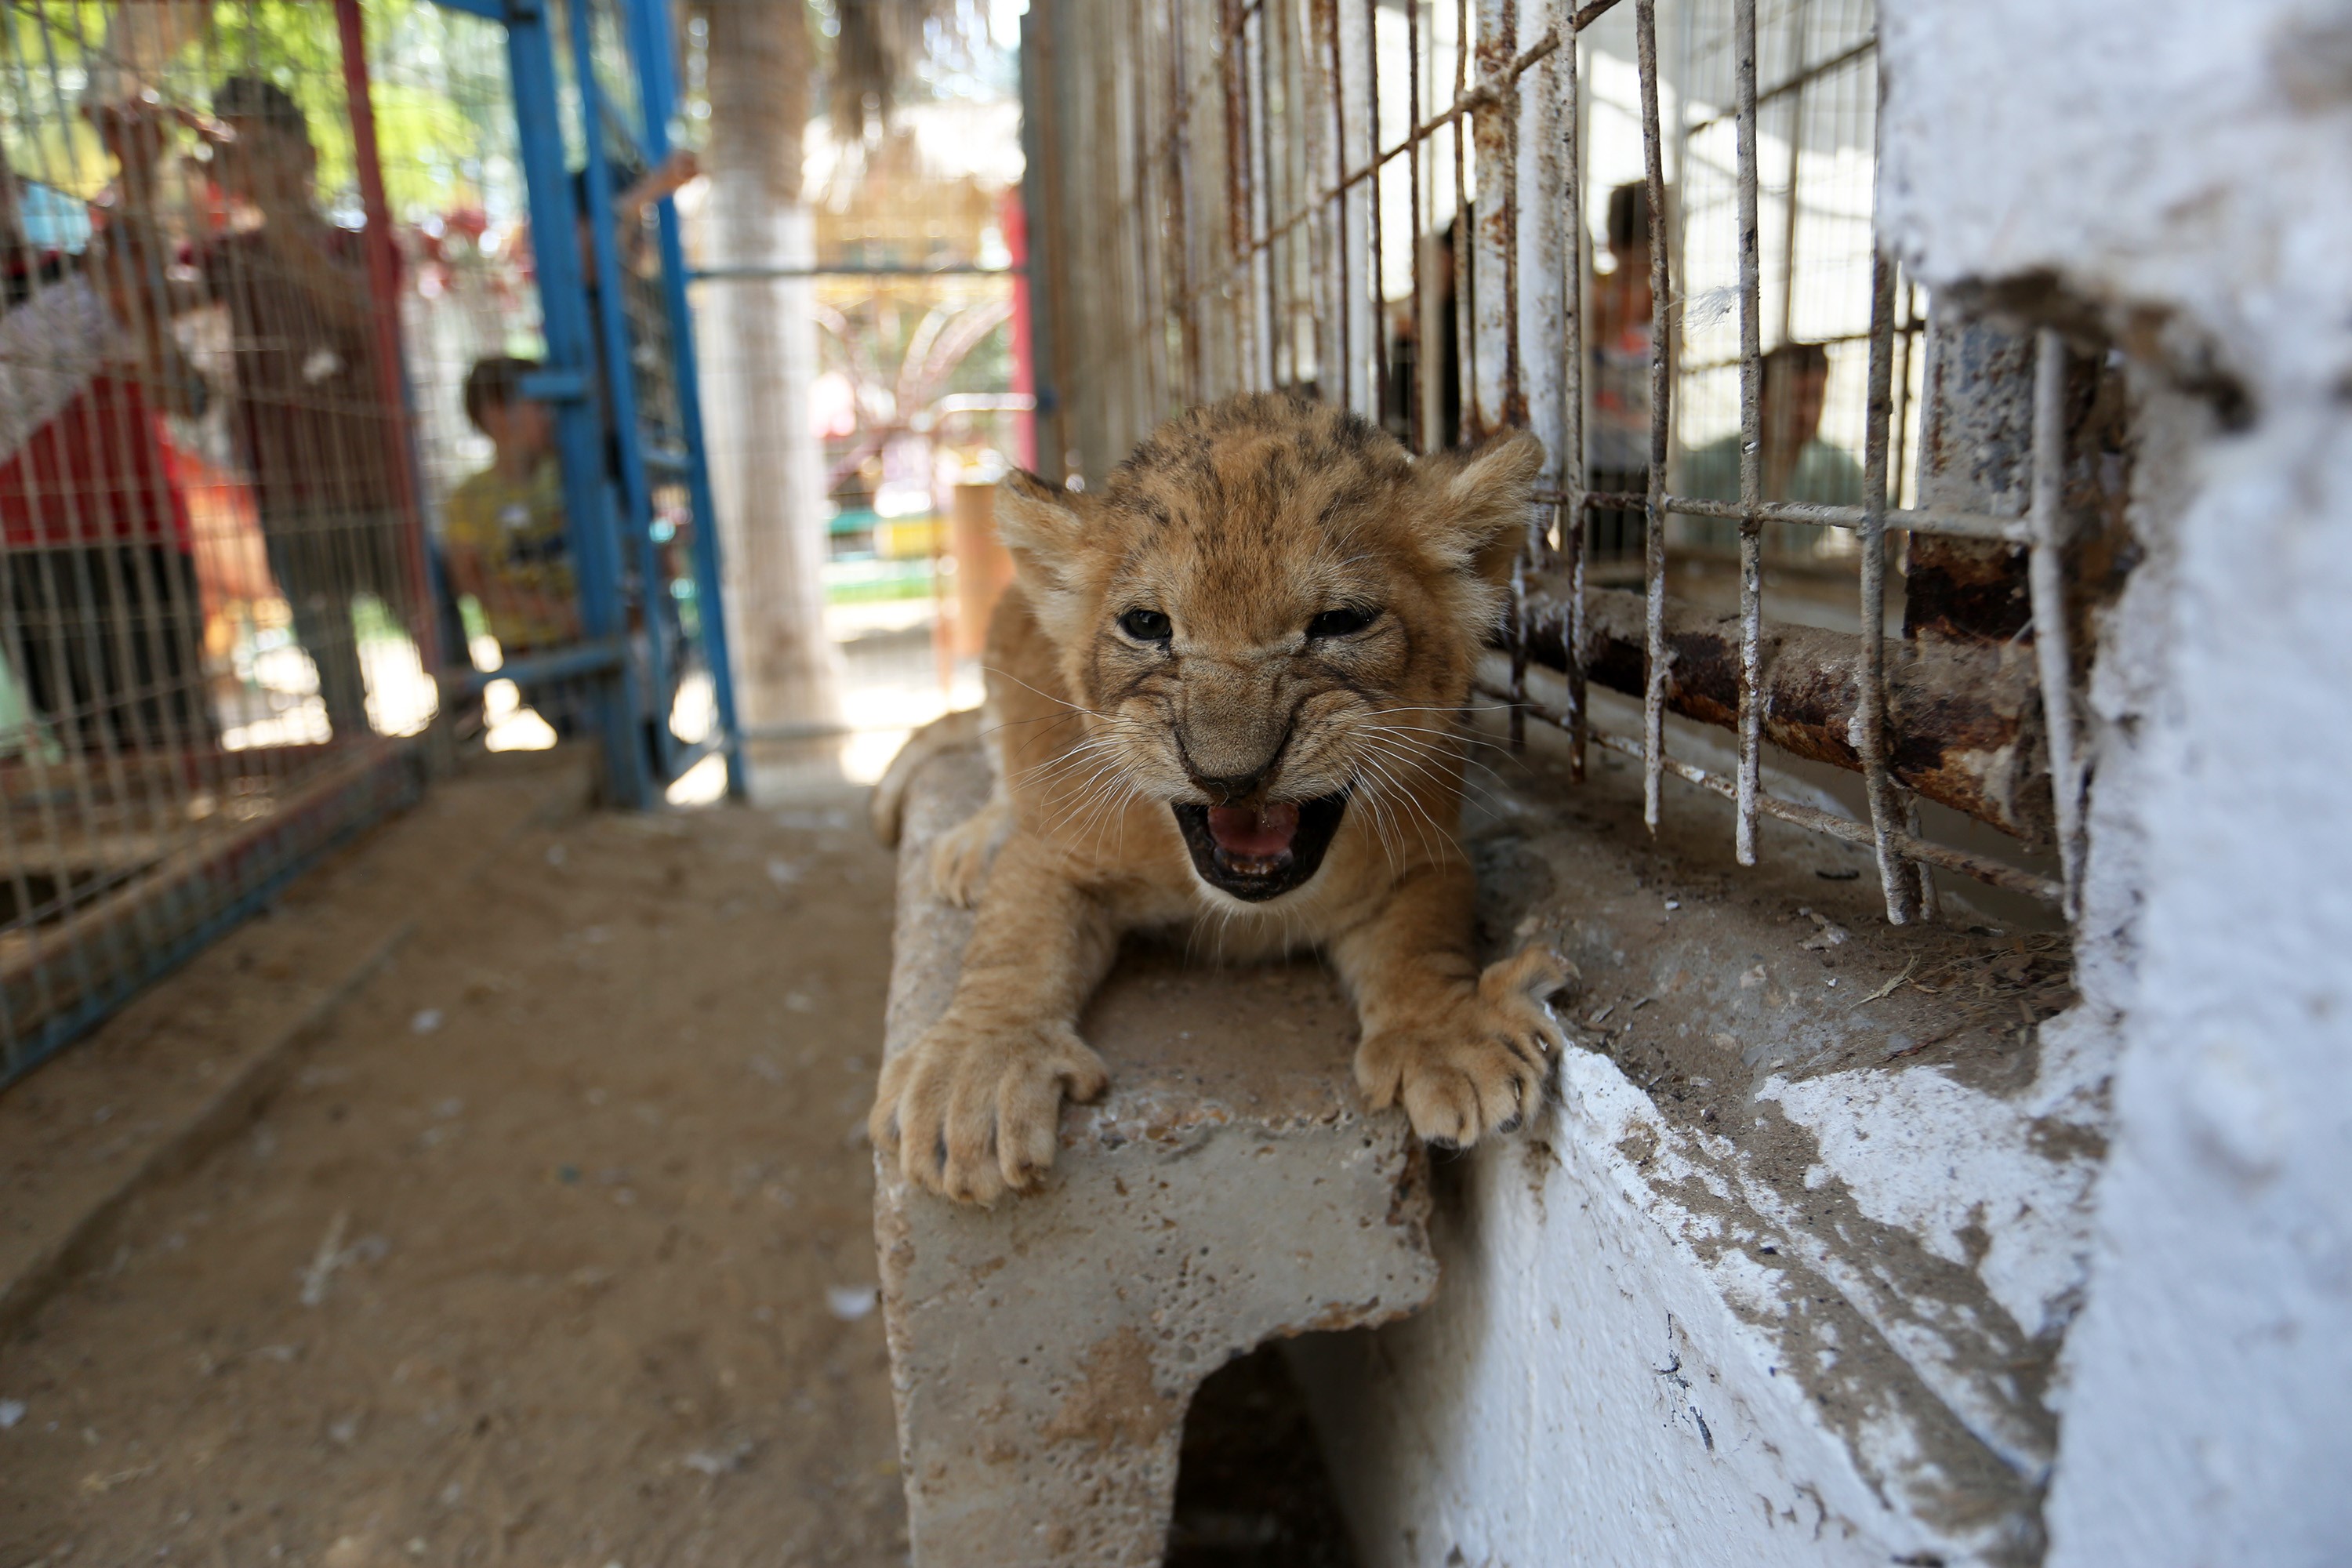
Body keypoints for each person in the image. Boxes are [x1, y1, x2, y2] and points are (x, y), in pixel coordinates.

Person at [192, 75, 408, 743]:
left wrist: (276, 217)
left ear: (307, 155)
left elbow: (354, 313)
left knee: (433, 634)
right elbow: (144, 296)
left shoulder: (365, 244)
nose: (248, 165)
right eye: (234, 151)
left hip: (379, 486)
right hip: (290, 493)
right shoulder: (221, 260)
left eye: (262, 147)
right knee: (337, 684)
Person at [0, 130, 210, 754]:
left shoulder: (80, 273)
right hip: (27, 553)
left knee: (177, 733)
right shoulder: (85, 282)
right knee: (87, 747)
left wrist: (134, 301)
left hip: (140, 533)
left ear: (15, 189)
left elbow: (185, 395)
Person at [441, 356, 579, 734]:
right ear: (497, 415)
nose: (552, 415)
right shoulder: (468, 499)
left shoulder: (574, 476)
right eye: (539, 403)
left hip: (589, 631)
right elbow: (470, 581)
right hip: (530, 646)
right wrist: (556, 612)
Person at [1676, 340, 1867, 551]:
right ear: (1761, 399)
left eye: (1815, 398)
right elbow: (1681, 552)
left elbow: (1880, 515)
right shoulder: (1706, 465)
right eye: (1794, 399)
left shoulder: (1833, 464)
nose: (1808, 412)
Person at [1588, 181, 1661, 564]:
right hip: (1593, 460)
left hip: (1644, 458)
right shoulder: (1595, 297)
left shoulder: (1666, 303)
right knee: (1595, 558)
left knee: (1639, 561)